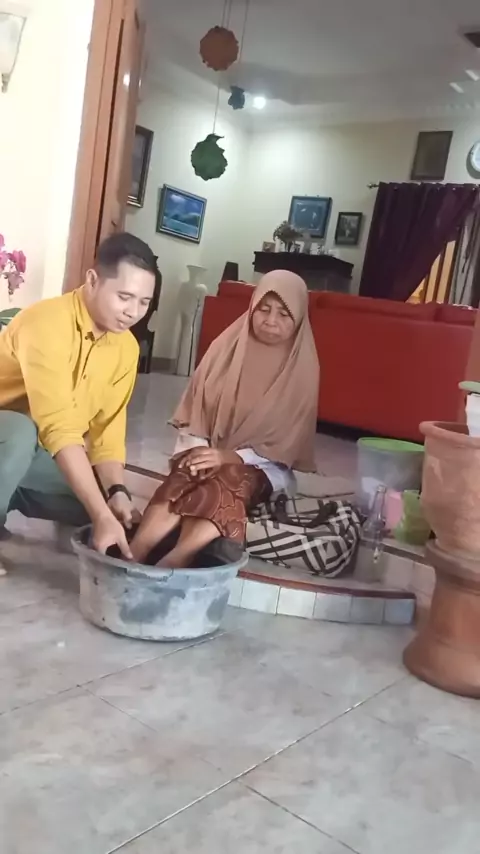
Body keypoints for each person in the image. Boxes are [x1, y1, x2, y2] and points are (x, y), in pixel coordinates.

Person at [129, 270, 320, 568]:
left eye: (284, 314)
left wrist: (227, 456)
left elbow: (285, 444)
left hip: (264, 466)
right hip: (211, 447)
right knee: (189, 472)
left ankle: (176, 559)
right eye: (264, 309)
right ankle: (135, 552)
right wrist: (201, 450)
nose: (271, 320)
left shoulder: (303, 370)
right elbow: (198, 408)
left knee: (226, 478)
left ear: (298, 317)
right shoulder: (227, 348)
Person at [0, 231, 157, 575]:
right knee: (20, 431)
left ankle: (7, 495)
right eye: (124, 297)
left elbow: (107, 432)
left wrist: (116, 492)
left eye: (144, 302)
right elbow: (58, 426)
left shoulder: (126, 348)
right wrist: (100, 513)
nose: (133, 312)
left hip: (35, 452)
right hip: (10, 435)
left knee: (105, 506)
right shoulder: (46, 323)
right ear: (92, 280)